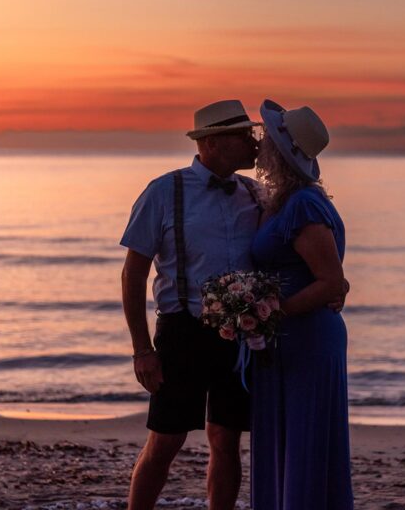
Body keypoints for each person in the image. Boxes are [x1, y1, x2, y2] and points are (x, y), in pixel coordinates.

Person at [120, 100, 263, 510]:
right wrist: (142, 350)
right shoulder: (165, 190)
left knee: (227, 439)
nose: (254, 144)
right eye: (244, 136)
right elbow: (133, 274)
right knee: (165, 439)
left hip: (239, 336)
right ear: (214, 142)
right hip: (183, 331)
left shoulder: (254, 193)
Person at [249, 99, 354, 509]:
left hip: (307, 339)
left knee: (305, 440)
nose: (258, 143)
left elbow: (330, 282)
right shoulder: (277, 201)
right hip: (281, 342)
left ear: (279, 150)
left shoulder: (304, 205)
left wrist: (273, 314)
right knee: (284, 440)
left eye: (265, 137)